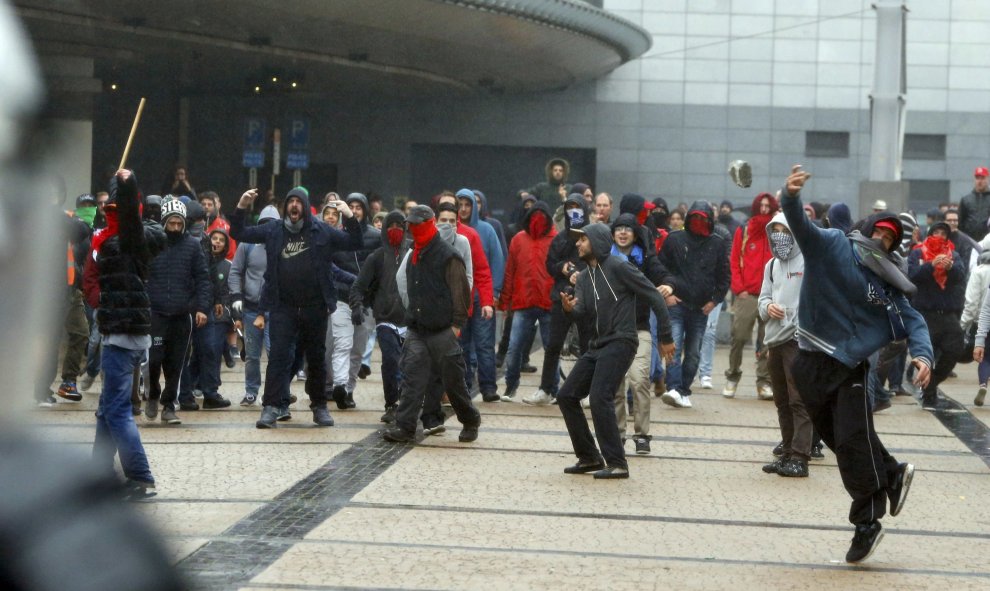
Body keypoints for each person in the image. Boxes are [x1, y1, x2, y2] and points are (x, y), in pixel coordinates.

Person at [780, 164, 931, 564]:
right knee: (842, 444)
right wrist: (791, 196)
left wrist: (923, 354)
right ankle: (893, 473)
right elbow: (799, 225)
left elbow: (912, 319)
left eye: (890, 238)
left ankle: (866, 522)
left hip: (850, 368)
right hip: (809, 363)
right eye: (879, 230)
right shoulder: (832, 244)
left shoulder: (887, 281)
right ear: (866, 228)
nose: (882, 239)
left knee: (852, 441)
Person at [230, 187, 363, 429]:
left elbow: (355, 241)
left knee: (316, 358)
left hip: (315, 307)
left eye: (298, 202)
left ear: (305, 205)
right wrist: (241, 206)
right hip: (283, 307)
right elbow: (238, 232)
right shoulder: (273, 230)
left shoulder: (321, 230)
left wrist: (350, 218)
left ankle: (319, 407)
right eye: (289, 201)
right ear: (285, 208)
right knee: (278, 357)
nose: (294, 206)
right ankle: (270, 407)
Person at [557, 224, 674, 479]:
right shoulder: (585, 277)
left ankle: (617, 462)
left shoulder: (619, 266)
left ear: (598, 241)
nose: (578, 244)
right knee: (566, 395)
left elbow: (654, 297)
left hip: (622, 341)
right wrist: (569, 309)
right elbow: (583, 314)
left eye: (583, 240)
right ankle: (589, 457)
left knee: (600, 396)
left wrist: (665, 336)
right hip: (597, 345)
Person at [84, 169, 166, 496]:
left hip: (125, 330)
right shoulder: (108, 238)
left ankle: (140, 476)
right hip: (116, 327)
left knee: (117, 410)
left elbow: (132, 223)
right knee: (107, 408)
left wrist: (128, 184)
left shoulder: (137, 237)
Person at [383, 205, 481, 443]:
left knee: (453, 382)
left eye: (418, 224)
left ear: (430, 223)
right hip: (418, 328)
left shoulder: (448, 256)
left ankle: (470, 419)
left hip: (443, 330)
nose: (414, 229)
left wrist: (456, 326)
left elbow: (461, 292)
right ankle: (405, 427)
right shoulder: (415, 252)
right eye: (411, 225)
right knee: (412, 379)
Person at [522, 194, 593, 405]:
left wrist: (579, 274)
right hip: (561, 296)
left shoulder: (591, 235)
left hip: (585, 299)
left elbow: (597, 261)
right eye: (569, 207)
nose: (573, 212)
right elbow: (550, 264)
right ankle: (546, 388)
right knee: (553, 345)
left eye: (577, 207)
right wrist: (563, 268)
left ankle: (586, 391)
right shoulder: (561, 237)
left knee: (586, 346)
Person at [657, 201, 730, 409]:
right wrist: (667, 294)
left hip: (701, 308)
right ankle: (673, 388)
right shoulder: (674, 239)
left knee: (693, 353)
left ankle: (682, 389)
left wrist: (714, 301)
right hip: (677, 304)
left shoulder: (717, 244)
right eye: (695, 218)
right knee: (675, 346)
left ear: (710, 221)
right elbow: (661, 268)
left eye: (703, 219)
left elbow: (724, 277)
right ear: (689, 218)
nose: (699, 223)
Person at [144, 198, 211, 425]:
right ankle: (153, 392)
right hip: (156, 313)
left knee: (176, 364)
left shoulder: (192, 245)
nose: (174, 228)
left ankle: (169, 404)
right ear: (164, 222)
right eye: (171, 223)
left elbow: (202, 277)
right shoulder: (153, 243)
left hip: (182, 315)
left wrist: (202, 307)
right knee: (153, 360)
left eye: (178, 224)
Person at [608, 213, 670, 455]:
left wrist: (669, 285)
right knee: (614, 385)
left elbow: (664, 275)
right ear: (612, 234)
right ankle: (618, 434)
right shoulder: (604, 259)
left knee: (639, 379)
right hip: (612, 331)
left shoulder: (645, 260)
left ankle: (642, 434)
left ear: (635, 234)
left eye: (628, 229)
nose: (623, 232)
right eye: (619, 228)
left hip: (639, 329)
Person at [757, 212, 812, 477]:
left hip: (799, 341)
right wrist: (769, 307)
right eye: (774, 230)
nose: (779, 236)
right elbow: (762, 300)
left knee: (798, 400)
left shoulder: (810, 261)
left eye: (784, 230)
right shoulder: (771, 266)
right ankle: (788, 452)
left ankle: (801, 457)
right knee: (781, 401)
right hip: (775, 340)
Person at [349, 210, 409, 423]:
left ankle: (410, 403)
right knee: (390, 361)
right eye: (391, 225)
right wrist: (357, 306)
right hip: (385, 318)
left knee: (411, 364)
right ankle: (391, 403)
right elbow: (359, 285)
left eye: (400, 226)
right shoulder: (377, 257)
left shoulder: (414, 254)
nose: (396, 230)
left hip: (411, 320)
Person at [498, 201, 556, 400]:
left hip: (547, 302)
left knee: (551, 350)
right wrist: (505, 302)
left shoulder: (555, 239)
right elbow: (510, 271)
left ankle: (552, 389)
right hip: (523, 302)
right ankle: (511, 385)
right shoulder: (518, 240)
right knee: (514, 348)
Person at [328, 192, 380, 410]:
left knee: (357, 349)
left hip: (366, 302)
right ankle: (339, 385)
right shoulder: (337, 236)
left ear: (366, 210)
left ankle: (349, 388)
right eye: (351, 206)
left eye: (359, 207)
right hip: (342, 299)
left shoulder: (376, 237)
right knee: (342, 344)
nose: (355, 211)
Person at [724, 192, 778, 400]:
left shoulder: (777, 231)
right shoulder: (744, 230)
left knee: (767, 340)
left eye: (768, 206)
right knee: (738, 336)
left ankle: (763, 381)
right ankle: (732, 375)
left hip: (771, 296)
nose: (764, 209)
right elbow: (734, 260)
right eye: (761, 205)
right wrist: (739, 289)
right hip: (747, 294)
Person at [907, 221, 966, 410]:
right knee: (924, 354)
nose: (939, 236)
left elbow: (961, 276)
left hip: (948, 314)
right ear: (929, 233)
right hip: (925, 314)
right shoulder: (918, 253)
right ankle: (929, 395)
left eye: (943, 233)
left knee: (955, 350)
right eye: (936, 232)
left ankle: (931, 383)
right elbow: (912, 276)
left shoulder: (953, 255)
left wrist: (950, 268)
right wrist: (931, 265)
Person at [229, 205, 280, 406]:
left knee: (275, 352)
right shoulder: (247, 245)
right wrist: (236, 296)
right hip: (251, 308)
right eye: (263, 225)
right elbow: (235, 272)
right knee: (251, 354)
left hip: (275, 309)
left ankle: (274, 392)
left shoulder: (283, 245)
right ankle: (251, 390)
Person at [456, 188, 504, 399]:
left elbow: (495, 261)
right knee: (462, 344)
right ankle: (464, 384)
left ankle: (488, 387)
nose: (464, 209)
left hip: (482, 296)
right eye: (461, 204)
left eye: (468, 205)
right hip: (460, 297)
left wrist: (494, 292)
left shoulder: (486, 230)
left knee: (485, 343)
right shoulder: (451, 230)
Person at [958, 166, 990, 242]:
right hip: (970, 240)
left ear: (988, 179)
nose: (980, 181)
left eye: (982, 178)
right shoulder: (966, 200)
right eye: (977, 178)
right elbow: (960, 222)